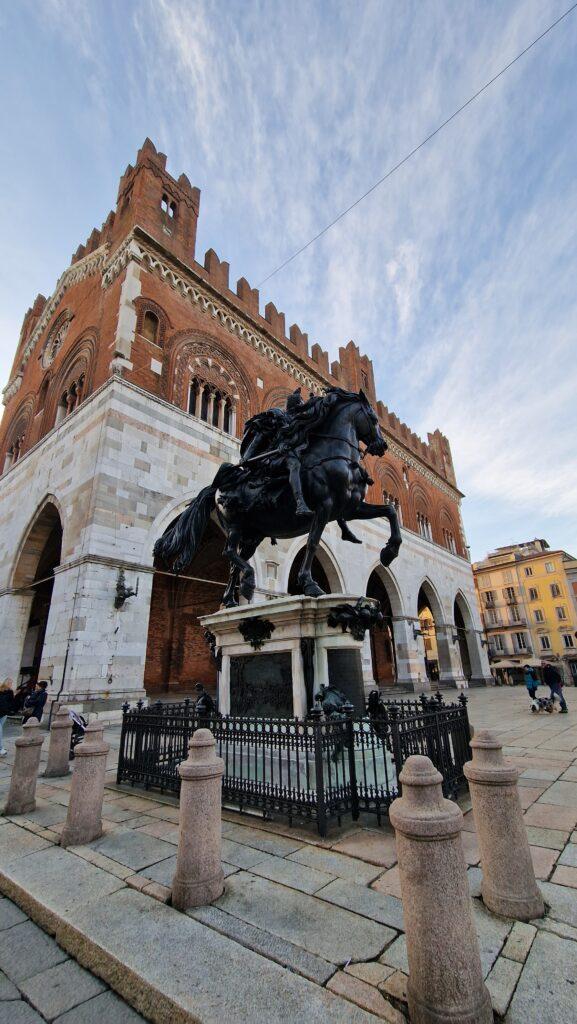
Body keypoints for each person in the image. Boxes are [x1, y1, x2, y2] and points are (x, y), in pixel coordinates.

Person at [0, 679, 15, 756]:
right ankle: (0, 749)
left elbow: (12, 702)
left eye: (11, 683)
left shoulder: (10, 692)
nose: (10, 684)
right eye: (10, 683)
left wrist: (9, 710)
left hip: (3, 713)